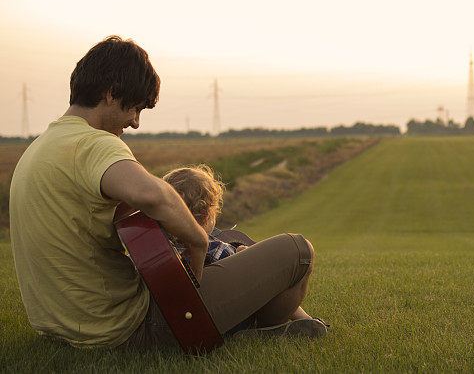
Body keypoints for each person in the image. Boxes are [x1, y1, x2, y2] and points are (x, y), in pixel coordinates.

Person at [10, 35, 326, 351]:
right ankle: (254, 331)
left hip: (62, 328)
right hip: (129, 328)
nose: (134, 122)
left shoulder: (38, 149)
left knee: (235, 239)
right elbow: (154, 196)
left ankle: (277, 322)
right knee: (297, 250)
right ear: (109, 94)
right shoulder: (93, 143)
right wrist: (199, 241)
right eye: (134, 108)